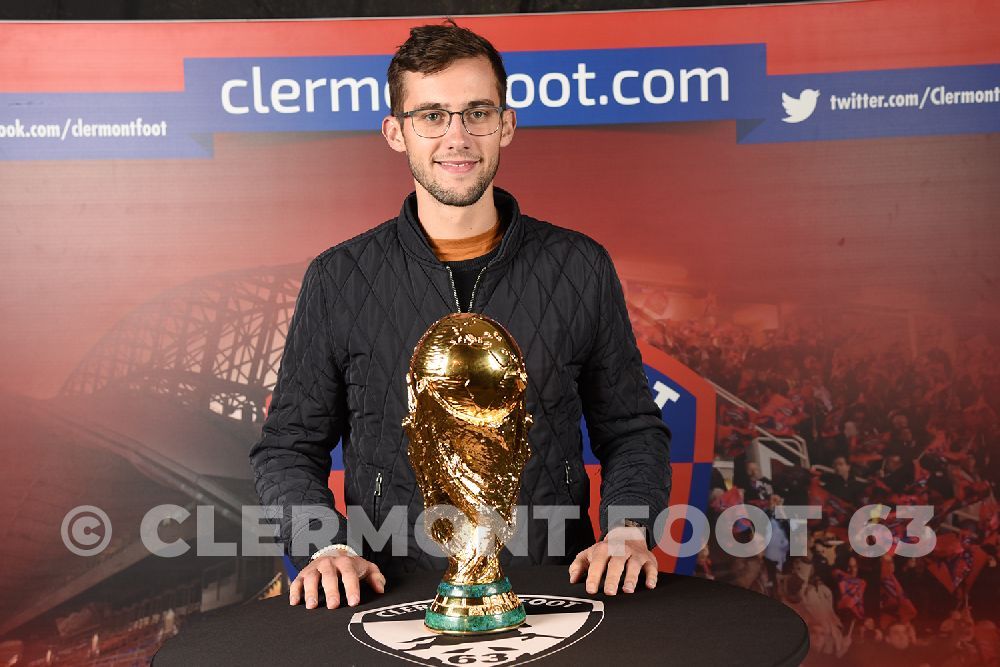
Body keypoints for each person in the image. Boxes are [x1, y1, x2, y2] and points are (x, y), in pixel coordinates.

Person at [249, 21, 672, 612]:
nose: (458, 136)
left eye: (477, 112)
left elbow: (630, 430)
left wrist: (629, 531)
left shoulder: (579, 266)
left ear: (507, 123)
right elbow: (289, 448)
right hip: (390, 597)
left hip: (550, 591)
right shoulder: (338, 278)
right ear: (396, 132)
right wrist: (323, 546)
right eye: (432, 115)